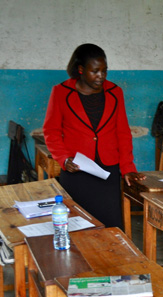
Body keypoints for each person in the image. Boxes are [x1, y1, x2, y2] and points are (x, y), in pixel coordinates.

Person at [43, 43, 145, 228]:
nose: (101, 76)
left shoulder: (115, 92)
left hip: (108, 171)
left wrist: (128, 167)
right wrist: (64, 159)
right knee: (78, 226)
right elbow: (51, 131)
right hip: (77, 171)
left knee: (111, 226)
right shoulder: (61, 92)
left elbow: (122, 132)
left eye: (105, 70)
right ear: (81, 70)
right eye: (95, 71)